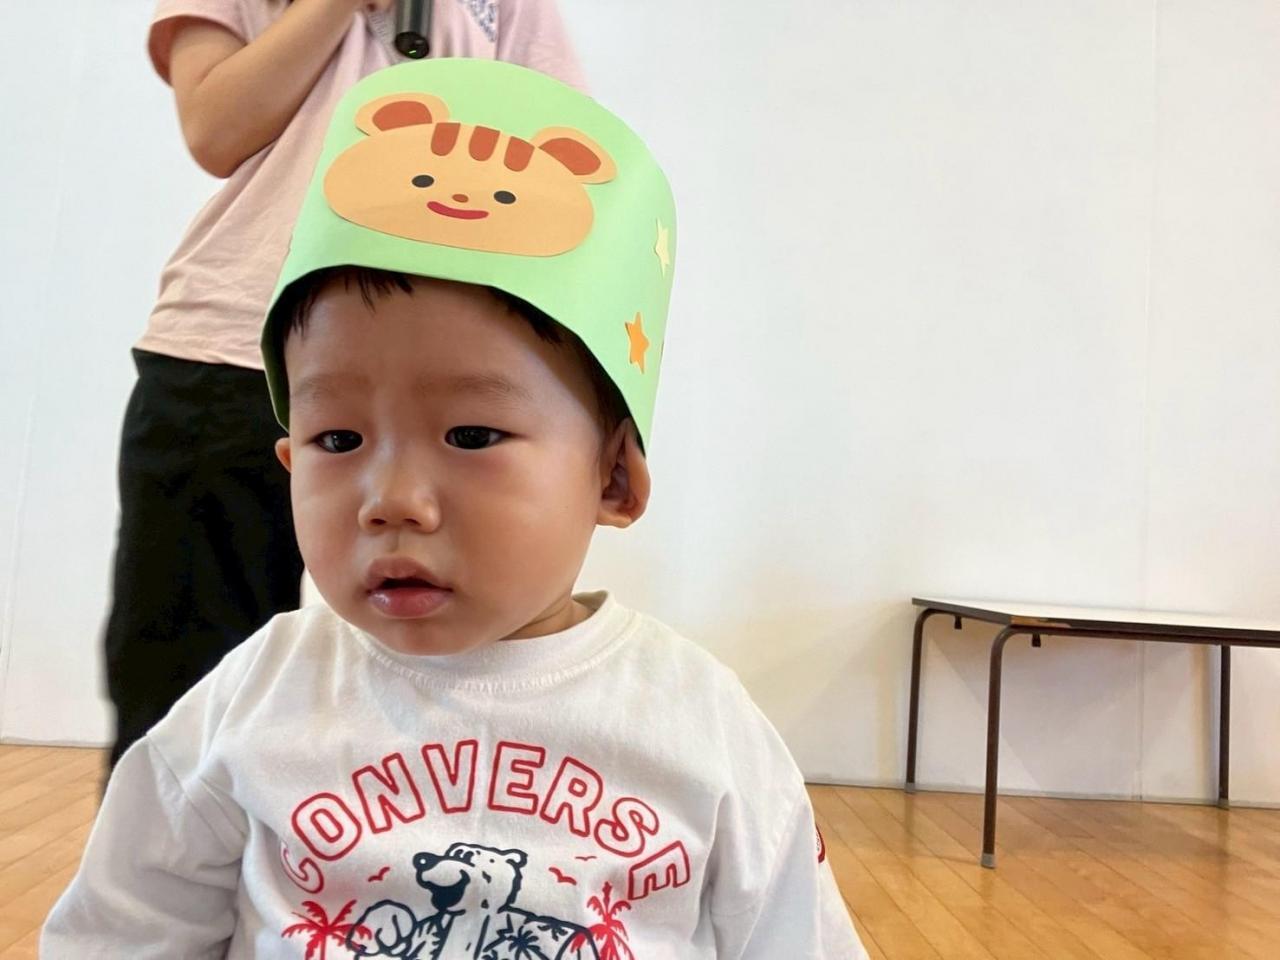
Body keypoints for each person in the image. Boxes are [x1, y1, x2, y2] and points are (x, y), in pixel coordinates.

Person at [46, 59, 867, 957]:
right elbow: (120, 933)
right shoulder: (254, 699)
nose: (392, 500)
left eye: (472, 435)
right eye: (337, 439)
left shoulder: (697, 723)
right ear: (287, 464)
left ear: (613, 479)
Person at [106, 0, 584, 769]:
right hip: (231, 343)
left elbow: (560, 165)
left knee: (445, 671)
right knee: (186, 682)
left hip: (444, 370)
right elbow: (215, 130)